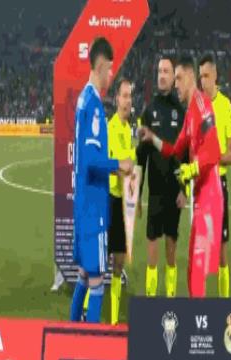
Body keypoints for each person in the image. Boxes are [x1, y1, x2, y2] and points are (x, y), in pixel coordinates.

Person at [140, 54, 223, 298]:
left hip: (209, 197)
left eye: (177, 78)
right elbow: (174, 150)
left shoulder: (202, 104)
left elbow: (214, 149)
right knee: (192, 272)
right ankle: (195, 316)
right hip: (200, 197)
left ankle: (200, 320)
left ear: (189, 77)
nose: (175, 84)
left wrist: (192, 169)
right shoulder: (189, 114)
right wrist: (152, 138)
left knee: (196, 271)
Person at [70, 37, 133, 323]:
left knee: (84, 276)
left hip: (83, 202)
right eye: (110, 69)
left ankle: (71, 331)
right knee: (97, 283)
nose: (111, 75)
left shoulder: (82, 99)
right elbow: (91, 159)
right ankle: (88, 341)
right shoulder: (94, 105)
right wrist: (118, 164)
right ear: (102, 65)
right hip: (94, 206)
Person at [136, 56, 187, 298]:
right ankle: (151, 298)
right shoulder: (149, 111)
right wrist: (137, 196)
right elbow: (141, 158)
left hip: (174, 192)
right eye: (159, 71)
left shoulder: (181, 111)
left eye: (166, 71)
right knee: (152, 245)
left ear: (173, 77)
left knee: (171, 247)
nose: (162, 75)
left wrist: (184, 190)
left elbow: (186, 156)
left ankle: (170, 297)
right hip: (155, 192)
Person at [199, 52, 231, 298]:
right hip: (201, 186)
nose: (203, 81)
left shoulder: (225, 107)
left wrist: (212, 157)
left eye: (206, 75)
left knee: (221, 253)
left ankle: (224, 305)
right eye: (200, 76)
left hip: (218, 186)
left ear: (215, 76)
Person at [107, 78, 135, 325]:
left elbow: (130, 166)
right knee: (101, 263)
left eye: (130, 96)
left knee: (118, 262)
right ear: (117, 99)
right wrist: (126, 169)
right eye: (124, 95)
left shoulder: (127, 129)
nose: (127, 100)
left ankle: (114, 318)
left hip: (125, 202)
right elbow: (116, 167)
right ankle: (86, 309)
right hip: (111, 201)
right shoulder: (112, 127)